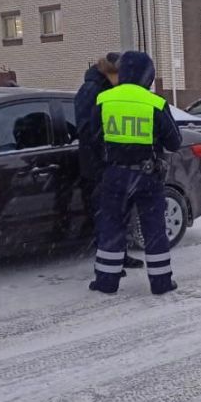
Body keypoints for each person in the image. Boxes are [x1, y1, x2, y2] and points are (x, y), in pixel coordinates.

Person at [89, 51, 182, 295]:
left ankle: (106, 282)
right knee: (153, 229)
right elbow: (174, 142)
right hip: (147, 176)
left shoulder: (103, 100)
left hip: (114, 175)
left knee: (111, 226)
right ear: (148, 76)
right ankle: (161, 283)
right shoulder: (155, 103)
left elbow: (93, 138)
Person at [75, 54, 144, 268]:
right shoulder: (92, 91)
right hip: (99, 166)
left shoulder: (104, 89)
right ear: (111, 72)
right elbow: (89, 132)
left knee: (116, 213)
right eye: (121, 76)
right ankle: (108, 261)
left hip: (110, 164)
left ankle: (118, 257)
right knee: (106, 215)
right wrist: (106, 154)